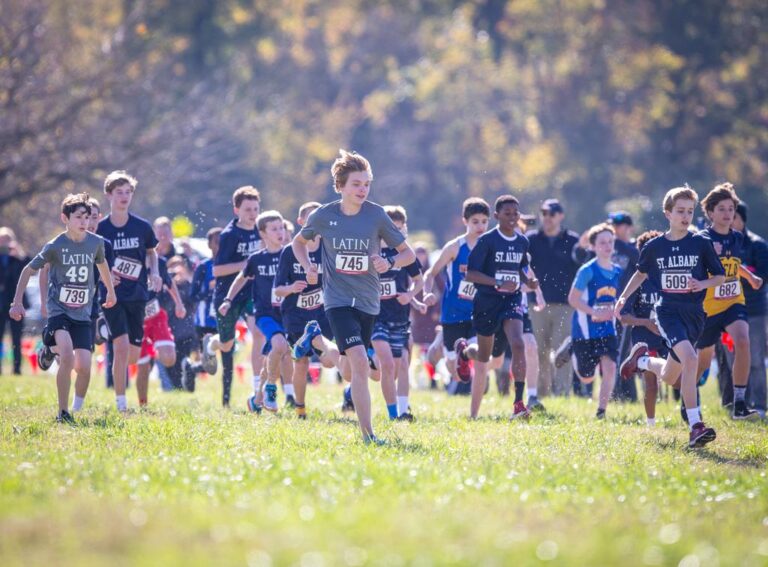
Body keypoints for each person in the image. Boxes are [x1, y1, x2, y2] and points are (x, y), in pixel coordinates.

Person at [292, 149, 416, 444]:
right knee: (361, 362)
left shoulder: (376, 215)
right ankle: (368, 436)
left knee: (351, 371)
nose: (362, 190)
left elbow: (408, 253)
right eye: (356, 184)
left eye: (366, 184)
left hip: (368, 300)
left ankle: (319, 342)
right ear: (341, 187)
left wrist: (390, 263)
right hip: (336, 299)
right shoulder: (324, 215)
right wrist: (309, 265)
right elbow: (298, 243)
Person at [616, 185, 725, 448]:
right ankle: (695, 424)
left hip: (694, 314)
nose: (685, 217)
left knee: (668, 374)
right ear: (668, 214)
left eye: (689, 211)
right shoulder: (655, 246)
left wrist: (703, 285)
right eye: (680, 211)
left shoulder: (701, 243)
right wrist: (623, 297)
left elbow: (720, 276)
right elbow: (640, 274)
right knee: (690, 358)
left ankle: (641, 362)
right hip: (667, 312)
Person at [9, 193, 116, 422]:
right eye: (78, 217)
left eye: (87, 217)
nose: (84, 222)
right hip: (59, 310)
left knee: (84, 367)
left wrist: (110, 291)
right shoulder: (55, 245)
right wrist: (17, 302)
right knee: (67, 356)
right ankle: (63, 412)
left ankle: (50, 351)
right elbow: (29, 270)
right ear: (64, 218)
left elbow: (102, 264)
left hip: (83, 313)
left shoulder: (95, 242)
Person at [456, 194, 538, 419]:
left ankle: (519, 404)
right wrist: (498, 282)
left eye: (515, 214)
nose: (512, 218)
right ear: (497, 216)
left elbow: (520, 268)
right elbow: (471, 273)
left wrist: (528, 281)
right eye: (507, 214)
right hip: (487, 302)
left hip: (511, 299)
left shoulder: (522, 241)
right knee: (484, 356)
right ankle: (464, 351)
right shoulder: (488, 240)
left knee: (519, 344)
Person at [694, 183, 762, 420]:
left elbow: (732, 264)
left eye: (731, 209)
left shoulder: (736, 237)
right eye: (721, 209)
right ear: (710, 212)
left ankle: (740, 403)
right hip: (708, 307)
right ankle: (689, 395)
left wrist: (750, 276)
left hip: (734, 301)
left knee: (742, 341)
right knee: (703, 361)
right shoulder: (701, 239)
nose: (727, 213)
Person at [96, 171, 162, 412]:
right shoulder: (100, 229)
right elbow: (92, 257)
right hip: (112, 295)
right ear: (109, 195)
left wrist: (155, 272)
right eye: (119, 192)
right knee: (121, 347)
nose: (124, 197)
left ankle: (103, 331)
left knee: (132, 356)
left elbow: (151, 252)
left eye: (128, 192)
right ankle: (121, 403)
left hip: (137, 295)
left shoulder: (142, 226)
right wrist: (106, 274)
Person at [273, 201, 341, 419]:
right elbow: (278, 290)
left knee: (329, 362)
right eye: (311, 218)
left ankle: (314, 339)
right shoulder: (289, 252)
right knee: (301, 364)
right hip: (296, 315)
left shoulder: (329, 248)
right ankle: (300, 409)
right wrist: (293, 288)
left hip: (323, 314)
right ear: (301, 222)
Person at [219, 210, 290, 412]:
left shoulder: (291, 254)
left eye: (282, 228)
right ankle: (270, 390)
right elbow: (241, 278)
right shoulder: (257, 259)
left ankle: (257, 397)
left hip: (287, 314)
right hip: (265, 314)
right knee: (279, 344)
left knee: (275, 353)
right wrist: (227, 300)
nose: (280, 232)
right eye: (274, 229)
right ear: (263, 234)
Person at [422, 198, 491, 391]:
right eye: (475, 222)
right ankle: (441, 339)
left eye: (484, 221)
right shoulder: (454, 247)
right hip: (453, 313)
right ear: (465, 222)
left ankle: (466, 355)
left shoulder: (490, 247)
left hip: (478, 313)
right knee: (455, 372)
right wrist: (427, 293)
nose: (480, 226)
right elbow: (430, 273)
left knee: (481, 354)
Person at [207, 186, 263, 407]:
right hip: (228, 295)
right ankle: (211, 344)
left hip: (251, 293)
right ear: (236, 210)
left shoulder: (261, 230)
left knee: (258, 334)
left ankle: (257, 387)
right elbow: (217, 271)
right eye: (247, 209)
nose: (252, 213)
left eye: (256, 209)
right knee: (227, 345)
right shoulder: (229, 235)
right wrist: (247, 265)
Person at [371, 206, 426, 421]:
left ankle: (404, 410)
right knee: (387, 361)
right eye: (392, 229)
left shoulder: (405, 253)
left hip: (399, 316)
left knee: (402, 362)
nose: (396, 233)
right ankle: (393, 414)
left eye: (400, 229)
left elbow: (419, 280)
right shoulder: (370, 250)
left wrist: (410, 295)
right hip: (375, 315)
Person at [526, 199, 583, 396]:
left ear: (561, 216)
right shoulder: (531, 239)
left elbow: (581, 269)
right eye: (544, 213)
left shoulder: (572, 240)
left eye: (551, 214)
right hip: (537, 304)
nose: (547, 218)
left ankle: (562, 393)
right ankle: (541, 393)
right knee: (539, 351)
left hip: (565, 305)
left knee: (562, 352)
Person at [567, 223, 623, 419]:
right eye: (602, 243)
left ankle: (601, 411)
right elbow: (572, 300)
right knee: (587, 376)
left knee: (610, 367)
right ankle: (570, 349)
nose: (607, 246)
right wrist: (593, 312)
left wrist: (616, 309)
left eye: (610, 242)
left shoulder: (618, 271)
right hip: (584, 331)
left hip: (607, 330)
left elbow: (620, 298)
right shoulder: (586, 271)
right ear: (593, 247)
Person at [733, 203, 768, 416]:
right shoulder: (719, 243)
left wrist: (741, 276)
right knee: (732, 361)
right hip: (728, 309)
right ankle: (738, 404)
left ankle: (761, 405)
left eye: (733, 214)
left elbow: (763, 277)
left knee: (755, 359)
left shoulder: (757, 245)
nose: (728, 218)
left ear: (742, 219)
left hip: (753, 311)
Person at [609, 211, 640, 402]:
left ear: (629, 228)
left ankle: (623, 395)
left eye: (618, 225)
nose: (613, 228)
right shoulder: (608, 245)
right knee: (612, 351)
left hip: (625, 308)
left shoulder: (633, 250)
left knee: (622, 352)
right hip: (605, 306)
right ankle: (619, 393)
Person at [186, 227, 221, 379]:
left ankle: (192, 368)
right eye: (217, 241)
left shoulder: (232, 265)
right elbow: (192, 296)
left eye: (224, 241)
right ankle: (191, 369)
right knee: (209, 364)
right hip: (204, 321)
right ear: (209, 245)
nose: (221, 245)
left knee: (228, 353)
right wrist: (209, 290)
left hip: (225, 317)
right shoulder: (203, 267)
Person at [0, 227, 30, 375]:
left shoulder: (18, 257)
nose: (4, 244)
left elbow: (30, 266)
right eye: (1, 241)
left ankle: (17, 369)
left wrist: (18, 253)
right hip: (0, 303)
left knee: (17, 338)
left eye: (7, 240)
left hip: (16, 302)